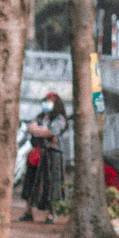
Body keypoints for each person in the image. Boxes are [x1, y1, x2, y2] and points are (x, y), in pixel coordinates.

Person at [20, 92, 68, 222]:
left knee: (52, 182)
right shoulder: (41, 117)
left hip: (52, 154)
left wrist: (39, 131)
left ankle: (51, 213)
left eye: (50, 101)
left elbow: (51, 132)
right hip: (37, 153)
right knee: (31, 181)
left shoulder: (59, 119)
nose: (47, 103)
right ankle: (28, 211)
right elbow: (31, 127)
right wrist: (38, 131)